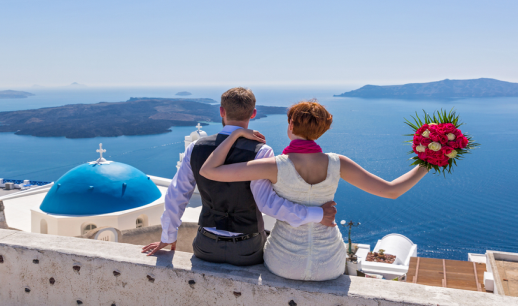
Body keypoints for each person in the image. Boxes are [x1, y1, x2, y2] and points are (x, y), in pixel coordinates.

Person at [200, 100, 430, 281]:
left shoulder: (274, 165)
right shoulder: (339, 163)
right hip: (329, 263)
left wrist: (235, 134)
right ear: (321, 130)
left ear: (291, 126)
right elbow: (392, 191)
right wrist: (429, 162)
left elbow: (210, 170)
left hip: (283, 263)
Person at [142, 88, 338, 266]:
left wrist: (168, 235)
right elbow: (267, 204)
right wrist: (317, 214)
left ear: (221, 112)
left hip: (206, 245)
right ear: (253, 113)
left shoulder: (196, 147)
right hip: (247, 248)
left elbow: (177, 194)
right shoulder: (262, 151)